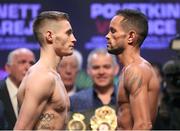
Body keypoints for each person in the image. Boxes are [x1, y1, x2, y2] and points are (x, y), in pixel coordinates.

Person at [14, 11, 76, 130]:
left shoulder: (53, 75)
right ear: (49, 36)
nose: (73, 39)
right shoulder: (42, 77)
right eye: (68, 33)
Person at [106, 9, 160, 130]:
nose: (107, 36)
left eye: (113, 31)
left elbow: (143, 125)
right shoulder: (129, 69)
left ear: (131, 36)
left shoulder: (135, 69)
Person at [70, 48, 119, 129]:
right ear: (88, 71)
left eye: (106, 67)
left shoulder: (127, 99)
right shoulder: (75, 101)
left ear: (116, 69)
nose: (101, 72)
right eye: (96, 67)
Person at [0, 48, 35, 129]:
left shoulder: (40, 93)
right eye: (22, 62)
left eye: (31, 63)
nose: (28, 67)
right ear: (8, 68)